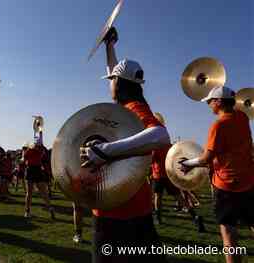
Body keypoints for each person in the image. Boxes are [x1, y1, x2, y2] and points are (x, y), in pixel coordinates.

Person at [80, 27, 169, 263]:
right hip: (134, 208)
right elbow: (114, 71)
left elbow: (160, 135)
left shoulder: (135, 110)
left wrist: (105, 151)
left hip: (118, 213)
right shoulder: (128, 106)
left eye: (112, 81)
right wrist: (110, 46)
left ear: (119, 84)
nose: (109, 84)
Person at [180, 86, 254, 263]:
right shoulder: (242, 117)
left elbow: (207, 157)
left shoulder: (218, 125)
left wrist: (188, 163)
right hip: (249, 181)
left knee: (228, 232)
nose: (208, 105)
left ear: (218, 102)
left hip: (226, 185)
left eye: (210, 102)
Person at [23, 135, 55, 220]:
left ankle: (27, 211)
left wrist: (29, 148)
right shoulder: (41, 150)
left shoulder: (30, 150)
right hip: (37, 170)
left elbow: (24, 159)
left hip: (30, 170)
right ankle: (50, 207)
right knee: (44, 192)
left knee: (29, 193)